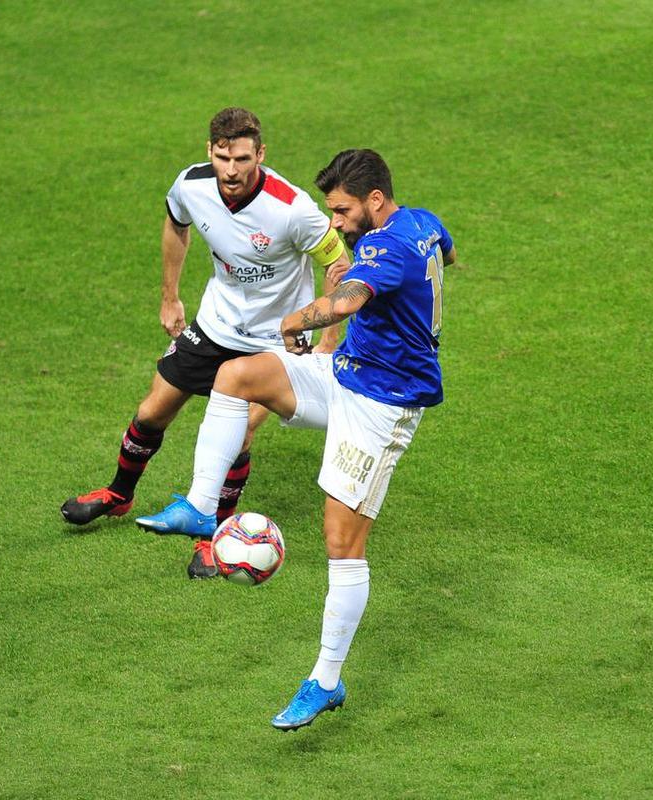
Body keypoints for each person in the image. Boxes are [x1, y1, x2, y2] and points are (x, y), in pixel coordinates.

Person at [142, 149, 455, 729]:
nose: (335, 222)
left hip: (382, 406)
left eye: (343, 211)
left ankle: (326, 681)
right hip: (346, 374)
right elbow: (448, 254)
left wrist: (296, 319)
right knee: (236, 375)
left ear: (375, 201)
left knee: (341, 541)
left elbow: (348, 301)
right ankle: (203, 507)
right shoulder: (422, 223)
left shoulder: (387, 248)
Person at [60, 107, 350, 580]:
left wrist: (328, 339)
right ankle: (119, 494)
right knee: (151, 411)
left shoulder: (292, 209)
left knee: (241, 434)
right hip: (216, 324)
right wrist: (169, 296)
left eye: (242, 159)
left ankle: (214, 534)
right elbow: (177, 223)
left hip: (273, 342)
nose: (231, 170)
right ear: (209, 151)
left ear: (261, 154)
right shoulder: (191, 184)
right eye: (222, 157)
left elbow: (339, 265)